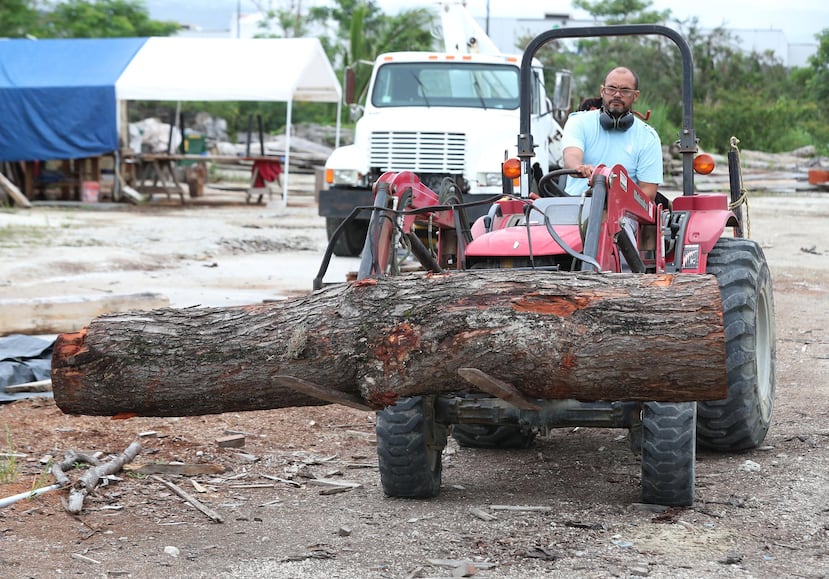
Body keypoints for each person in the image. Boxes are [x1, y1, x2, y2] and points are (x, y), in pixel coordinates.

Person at [561, 67, 663, 200]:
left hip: (624, 214)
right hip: (576, 208)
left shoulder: (648, 137)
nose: (617, 94)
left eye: (625, 90)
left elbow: (647, 193)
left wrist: (613, 206)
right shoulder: (578, 122)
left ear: (636, 95)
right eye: (611, 88)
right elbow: (571, 157)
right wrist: (579, 168)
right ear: (602, 91)